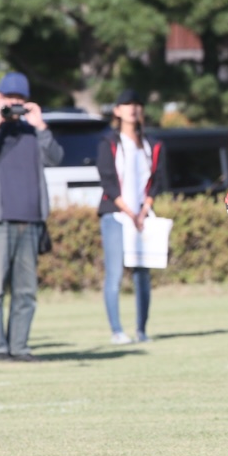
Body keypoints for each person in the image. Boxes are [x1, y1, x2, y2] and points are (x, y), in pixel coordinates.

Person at [0, 71, 64, 362]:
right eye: (9, 97)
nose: (15, 103)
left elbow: (56, 157)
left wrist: (40, 124)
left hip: (30, 219)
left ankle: (20, 346)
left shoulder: (33, 132)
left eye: (20, 99)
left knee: (26, 291)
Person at [96, 89, 167, 344]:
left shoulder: (152, 144)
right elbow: (107, 180)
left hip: (142, 216)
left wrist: (145, 208)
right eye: (126, 104)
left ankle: (142, 330)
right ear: (117, 110)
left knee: (142, 274)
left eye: (137, 104)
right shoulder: (109, 143)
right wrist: (128, 211)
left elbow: (156, 179)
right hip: (115, 214)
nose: (132, 109)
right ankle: (117, 330)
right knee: (114, 273)